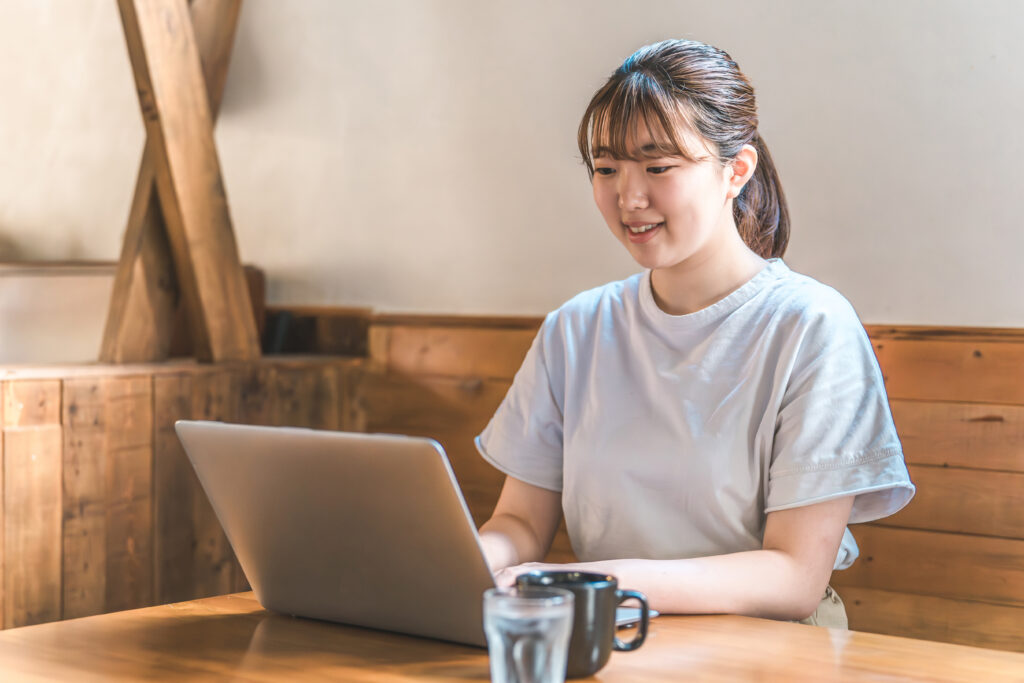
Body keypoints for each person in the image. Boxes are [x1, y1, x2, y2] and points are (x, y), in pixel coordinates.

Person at [474, 39, 915, 627]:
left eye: (658, 168)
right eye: (605, 169)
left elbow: (793, 578)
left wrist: (596, 583)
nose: (629, 197)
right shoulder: (575, 329)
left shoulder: (811, 325)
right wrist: (462, 564)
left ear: (737, 171)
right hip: (617, 631)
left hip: (769, 647)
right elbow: (520, 523)